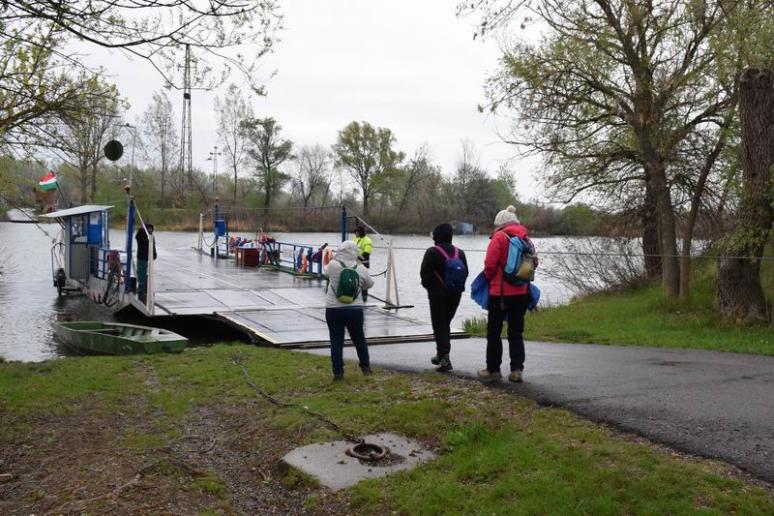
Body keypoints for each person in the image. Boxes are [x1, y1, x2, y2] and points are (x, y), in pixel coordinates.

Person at [478, 206, 532, 383]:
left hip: (500, 293)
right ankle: (517, 370)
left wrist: (488, 278)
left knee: (494, 332)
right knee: (516, 332)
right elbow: (533, 264)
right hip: (522, 292)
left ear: (499, 224)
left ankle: (493, 370)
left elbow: (490, 265)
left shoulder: (499, 237)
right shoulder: (525, 238)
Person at [420, 223, 468, 372]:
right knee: (444, 323)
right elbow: (466, 273)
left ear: (437, 236)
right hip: (456, 294)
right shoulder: (460, 253)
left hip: (438, 295)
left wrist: (431, 288)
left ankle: (445, 358)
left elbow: (424, 275)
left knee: (439, 325)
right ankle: (441, 354)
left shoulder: (432, 252)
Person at [325, 240, 375, 381]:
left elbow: (326, 274)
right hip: (355, 309)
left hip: (334, 309)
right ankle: (366, 368)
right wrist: (359, 267)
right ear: (356, 252)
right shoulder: (360, 268)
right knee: (359, 338)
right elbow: (369, 284)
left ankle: (338, 373)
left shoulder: (333, 265)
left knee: (336, 341)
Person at [135, 223, 157, 302]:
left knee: (148, 275)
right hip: (141, 258)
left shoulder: (151, 236)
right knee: (141, 275)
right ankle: (141, 293)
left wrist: (154, 254)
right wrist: (141, 229)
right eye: (149, 228)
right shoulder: (141, 235)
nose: (150, 230)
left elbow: (153, 246)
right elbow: (137, 236)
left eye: (151, 228)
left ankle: (147, 291)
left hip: (149, 258)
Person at [353, 225, 373, 301]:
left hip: (363, 263)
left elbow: (367, 252)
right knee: (356, 280)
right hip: (355, 263)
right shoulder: (356, 239)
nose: (355, 234)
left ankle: (364, 296)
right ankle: (356, 294)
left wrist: (359, 258)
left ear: (360, 232)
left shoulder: (367, 240)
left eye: (356, 232)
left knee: (364, 280)